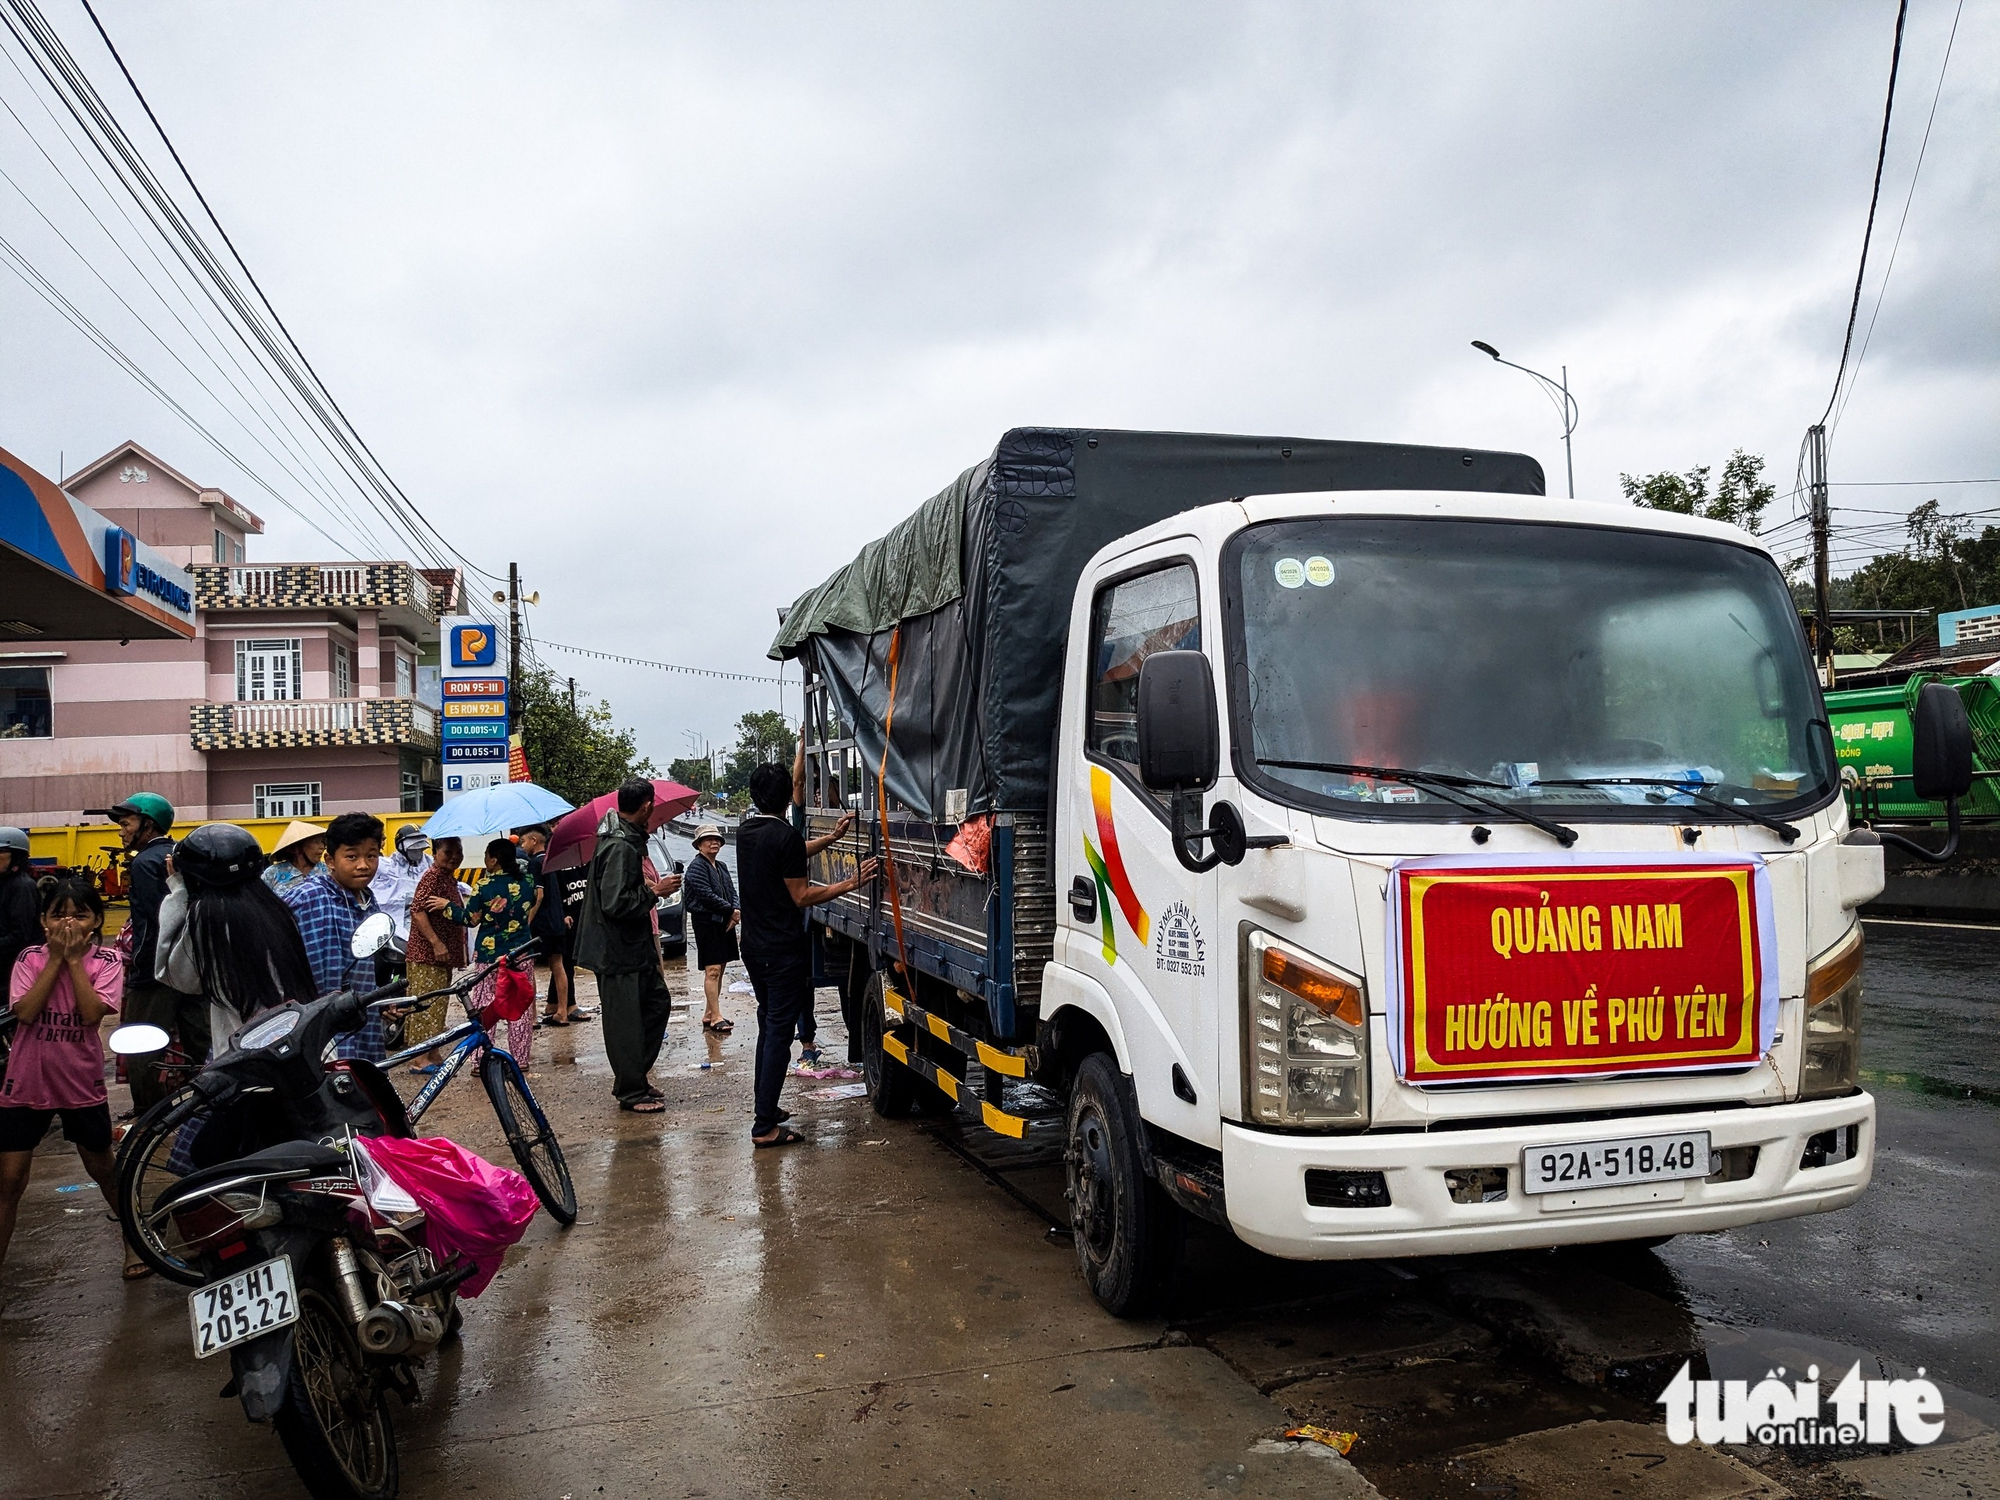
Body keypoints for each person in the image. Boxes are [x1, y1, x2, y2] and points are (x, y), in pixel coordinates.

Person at [0, 877, 142, 1277]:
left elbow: (92, 1013)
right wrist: (56, 960)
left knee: (101, 1168)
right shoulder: (29, 958)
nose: (69, 923)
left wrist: (74, 960)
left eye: (80, 914)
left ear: (96, 920)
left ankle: (135, 1244)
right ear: (43, 920)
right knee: (8, 1181)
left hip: (80, 1082)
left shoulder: (108, 961)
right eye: (58, 914)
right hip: (27, 1081)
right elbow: (25, 1012)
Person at [737, 764, 874, 1149]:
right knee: (780, 1033)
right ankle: (765, 1126)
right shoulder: (783, 836)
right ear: (786, 798)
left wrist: (830, 838)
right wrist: (850, 882)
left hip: (753, 948)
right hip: (781, 951)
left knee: (769, 1026)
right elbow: (801, 896)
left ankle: (765, 1106)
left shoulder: (748, 831)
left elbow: (792, 851)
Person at [158, 823, 319, 1049]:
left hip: (248, 1050)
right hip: (298, 1036)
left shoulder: (209, 914)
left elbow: (174, 974)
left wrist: (177, 890)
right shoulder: (274, 906)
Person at [574, 778, 680, 1113]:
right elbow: (615, 903)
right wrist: (654, 892)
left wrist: (645, 885)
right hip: (616, 950)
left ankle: (635, 1073)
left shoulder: (628, 841)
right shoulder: (619, 845)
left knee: (657, 1003)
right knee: (625, 1022)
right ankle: (631, 1090)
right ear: (647, 806)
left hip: (634, 947)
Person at [110, 792, 206, 1115]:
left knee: (142, 1045)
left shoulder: (143, 862)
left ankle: (149, 1116)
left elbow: (155, 921)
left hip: (154, 972)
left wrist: (141, 966)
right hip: (192, 967)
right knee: (201, 1042)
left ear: (148, 826)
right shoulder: (181, 855)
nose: (121, 830)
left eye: (126, 823)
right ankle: (205, 1103)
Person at [426, 837, 537, 1071]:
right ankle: (520, 1060)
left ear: (494, 860)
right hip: (522, 952)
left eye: (487, 855)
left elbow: (470, 918)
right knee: (520, 1006)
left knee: (485, 1005)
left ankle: (479, 1061)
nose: (484, 859)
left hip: (490, 954)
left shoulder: (484, 886)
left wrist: (447, 906)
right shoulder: (527, 881)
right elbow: (533, 901)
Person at [281, 812, 385, 1061]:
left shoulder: (370, 903)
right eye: (352, 856)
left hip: (363, 1020)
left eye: (371, 855)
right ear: (330, 860)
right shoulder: (308, 897)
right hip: (317, 1025)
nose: (363, 865)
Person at [403, 835, 466, 1073]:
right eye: (447, 852)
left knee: (438, 1004)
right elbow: (418, 912)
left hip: (441, 956)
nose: (453, 857)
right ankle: (419, 1060)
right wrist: (436, 943)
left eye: (457, 852)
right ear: (436, 853)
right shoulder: (432, 877)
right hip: (427, 954)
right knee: (425, 1005)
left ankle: (433, 1052)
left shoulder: (447, 878)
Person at [681, 825, 738, 1034]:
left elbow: (732, 891)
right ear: (699, 844)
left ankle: (709, 1012)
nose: (714, 842)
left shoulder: (721, 866)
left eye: (717, 839)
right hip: (707, 923)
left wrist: (736, 908)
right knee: (712, 970)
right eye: (708, 839)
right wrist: (731, 910)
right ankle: (716, 1016)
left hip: (724, 922)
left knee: (720, 969)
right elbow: (706, 895)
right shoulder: (696, 867)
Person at [517, 825, 575, 1027]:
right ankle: (562, 1011)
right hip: (557, 921)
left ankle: (532, 1017)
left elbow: (538, 896)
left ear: (534, 841)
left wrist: (527, 922)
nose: (522, 846)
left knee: (529, 968)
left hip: (541, 925)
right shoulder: (553, 862)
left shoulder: (534, 864)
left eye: (524, 841)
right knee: (558, 966)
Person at [369, 825, 431, 943]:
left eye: (420, 848)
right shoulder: (387, 866)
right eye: (413, 848)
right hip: (394, 920)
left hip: (424, 917)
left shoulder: (429, 863)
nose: (417, 852)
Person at [0, 827, 37, 995]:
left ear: (16, 856)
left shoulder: (22, 887)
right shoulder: (4, 883)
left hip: (13, 971)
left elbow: (20, 935)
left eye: (1, 852)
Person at [261, 821, 326, 894]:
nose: (322, 847)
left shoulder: (328, 872)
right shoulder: (272, 874)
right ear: (297, 848)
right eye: (316, 842)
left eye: (322, 842)